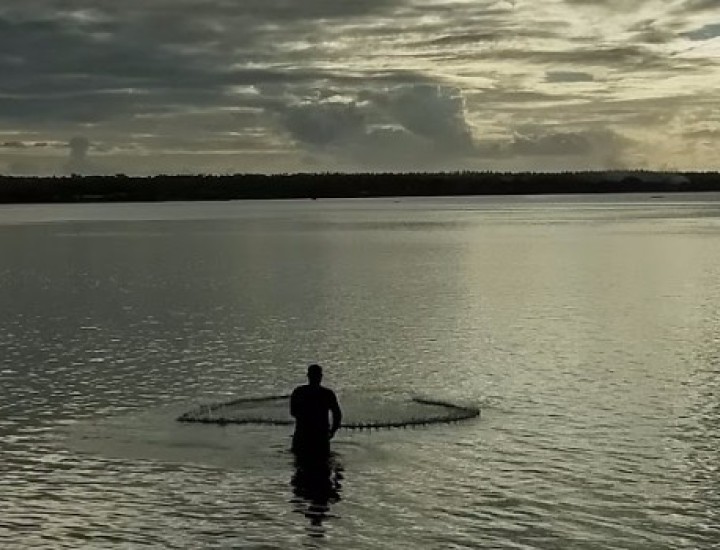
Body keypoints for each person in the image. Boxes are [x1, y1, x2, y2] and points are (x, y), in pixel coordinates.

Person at [290, 364, 342, 457]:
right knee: (322, 465)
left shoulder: (299, 392)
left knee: (301, 465)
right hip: (320, 435)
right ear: (321, 377)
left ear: (308, 376)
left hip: (302, 434)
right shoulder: (327, 394)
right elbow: (337, 414)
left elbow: (293, 412)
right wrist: (332, 431)